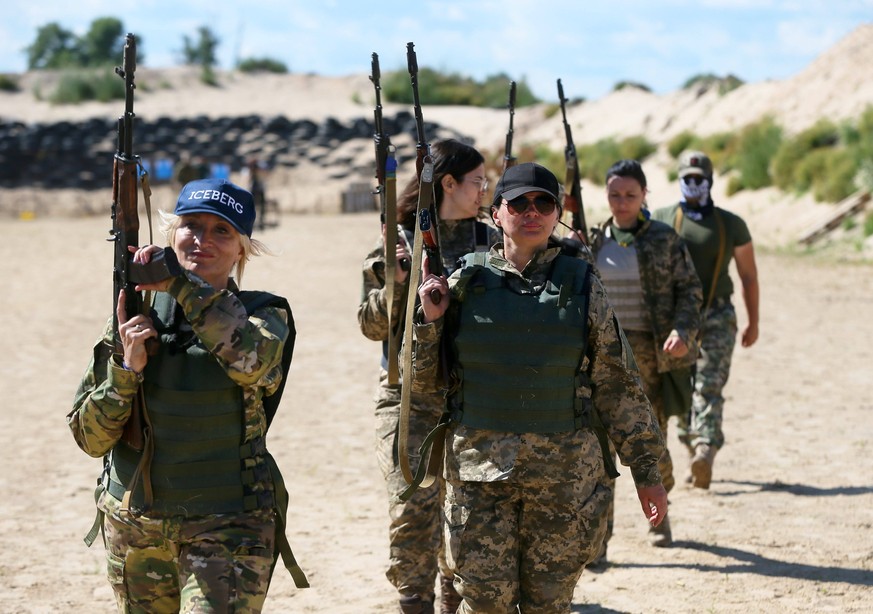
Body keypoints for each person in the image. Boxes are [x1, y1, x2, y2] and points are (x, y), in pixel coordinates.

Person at [410, 162, 668, 612]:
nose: (532, 212)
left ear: (556, 215)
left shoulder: (583, 285)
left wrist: (648, 473)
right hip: (478, 479)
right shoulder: (462, 283)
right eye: (520, 203)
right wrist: (429, 324)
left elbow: (617, 385)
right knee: (484, 602)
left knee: (548, 604)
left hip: (563, 481)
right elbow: (424, 384)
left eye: (544, 202)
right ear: (497, 213)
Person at [68, 178, 306, 613]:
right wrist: (126, 370)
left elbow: (251, 364)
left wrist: (179, 284)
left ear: (242, 249)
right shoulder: (133, 314)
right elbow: (90, 438)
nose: (203, 240)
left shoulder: (264, 315)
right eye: (192, 226)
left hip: (229, 524)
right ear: (171, 234)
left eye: (222, 231)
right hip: (137, 528)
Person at [358, 139, 500, 614]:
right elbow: (371, 325)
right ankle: (413, 599)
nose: (485, 190)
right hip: (408, 395)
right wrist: (398, 284)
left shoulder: (492, 240)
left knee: (466, 513)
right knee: (412, 508)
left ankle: (450, 594)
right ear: (448, 184)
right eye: (478, 181)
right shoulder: (397, 240)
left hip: (472, 396)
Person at [588, 159, 702, 554]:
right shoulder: (592, 241)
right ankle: (600, 538)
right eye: (615, 195)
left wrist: (682, 331)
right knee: (599, 448)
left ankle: (660, 513)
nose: (622, 203)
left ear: (645, 196)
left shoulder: (664, 239)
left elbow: (690, 292)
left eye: (630, 195)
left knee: (651, 442)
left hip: (650, 359)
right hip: (601, 356)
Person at [652, 150, 760, 489]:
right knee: (682, 388)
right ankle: (691, 448)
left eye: (699, 178)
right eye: (687, 178)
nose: (693, 184)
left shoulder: (731, 224)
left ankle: (706, 448)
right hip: (676, 320)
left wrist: (753, 322)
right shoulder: (663, 218)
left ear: (710, 181)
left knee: (709, 385)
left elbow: (748, 276)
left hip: (717, 314)